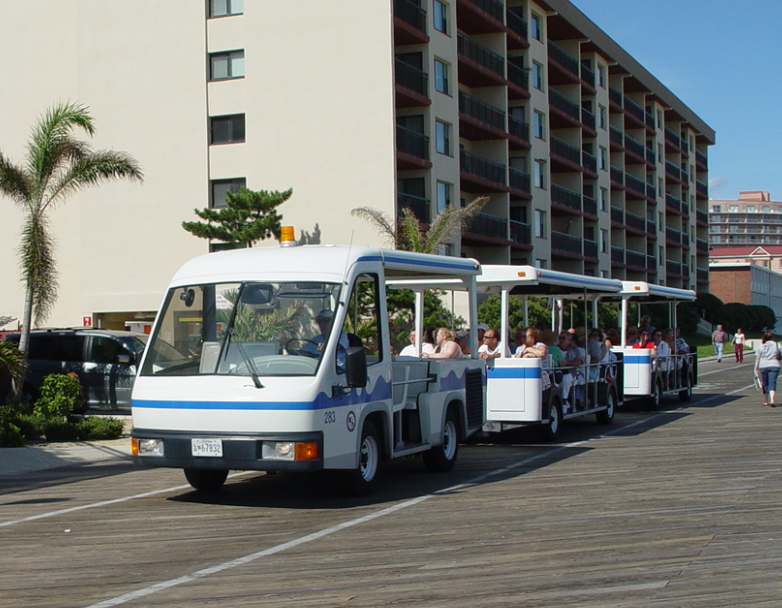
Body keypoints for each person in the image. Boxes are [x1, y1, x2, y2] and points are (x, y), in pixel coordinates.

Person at [557, 331, 583, 413]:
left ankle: (564, 400)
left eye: (563, 338)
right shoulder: (556, 348)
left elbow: (578, 362)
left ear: (569, 339)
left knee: (565, 378)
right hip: (557, 370)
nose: (561, 340)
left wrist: (567, 363)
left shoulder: (574, 349)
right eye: (560, 338)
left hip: (570, 371)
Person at [754, 330, 781, 407]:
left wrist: (755, 369)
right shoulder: (776, 344)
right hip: (774, 365)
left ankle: (766, 401)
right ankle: (772, 400)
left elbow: (758, 358)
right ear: (772, 337)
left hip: (763, 366)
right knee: (772, 382)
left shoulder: (761, 346)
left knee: (765, 383)